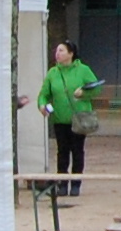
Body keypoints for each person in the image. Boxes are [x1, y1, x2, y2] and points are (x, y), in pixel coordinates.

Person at [38, 40, 100, 197]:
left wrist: (84, 94)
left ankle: (76, 184)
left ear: (71, 54)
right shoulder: (53, 73)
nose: (57, 54)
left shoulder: (83, 70)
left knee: (77, 151)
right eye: (57, 51)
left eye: (61, 50)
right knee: (62, 152)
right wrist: (42, 105)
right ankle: (62, 184)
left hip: (79, 119)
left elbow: (97, 87)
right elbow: (44, 94)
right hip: (60, 119)